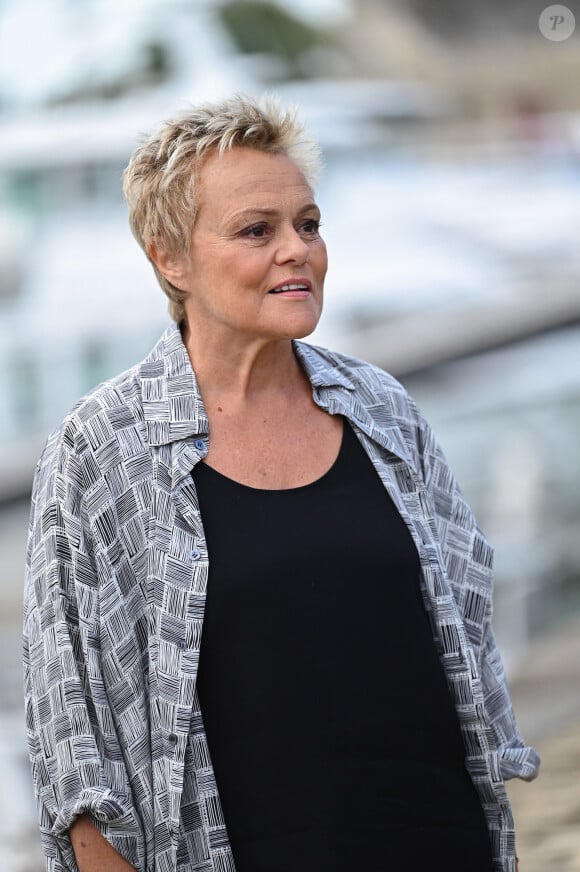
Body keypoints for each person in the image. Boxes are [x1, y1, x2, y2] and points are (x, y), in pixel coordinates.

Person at [23, 94, 539, 872]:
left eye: (308, 223)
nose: (297, 249)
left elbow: (463, 646)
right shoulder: (102, 447)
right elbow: (73, 739)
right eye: (256, 230)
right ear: (170, 256)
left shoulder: (382, 410)